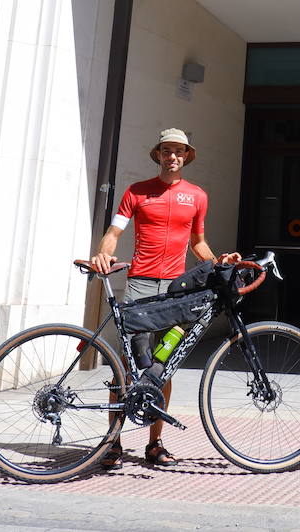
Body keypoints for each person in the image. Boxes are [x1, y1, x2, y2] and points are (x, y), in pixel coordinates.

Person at [89, 127, 238, 467]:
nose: (173, 156)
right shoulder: (137, 192)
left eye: (179, 151)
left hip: (176, 292)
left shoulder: (197, 196)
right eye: (167, 150)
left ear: (186, 157)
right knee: (127, 368)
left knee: (163, 368)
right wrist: (102, 253)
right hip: (141, 285)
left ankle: (155, 443)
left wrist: (218, 263)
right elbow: (114, 232)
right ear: (158, 155)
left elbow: (197, 242)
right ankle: (112, 442)